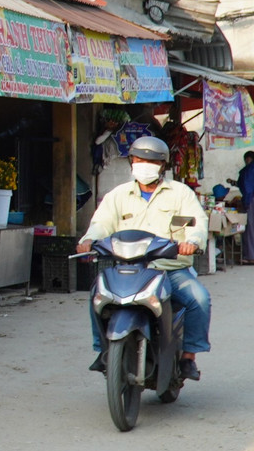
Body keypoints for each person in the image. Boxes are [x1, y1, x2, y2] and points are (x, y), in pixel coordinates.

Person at [77, 135, 211, 382]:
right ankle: (102, 351)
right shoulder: (118, 195)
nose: (143, 164)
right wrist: (88, 240)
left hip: (169, 270)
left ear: (162, 165)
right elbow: (101, 223)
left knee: (199, 299)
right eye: (138, 159)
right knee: (97, 293)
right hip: (127, 268)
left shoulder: (180, 194)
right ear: (131, 161)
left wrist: (191, 242)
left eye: (150, 160)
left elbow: (197, 223)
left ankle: (188, 358)